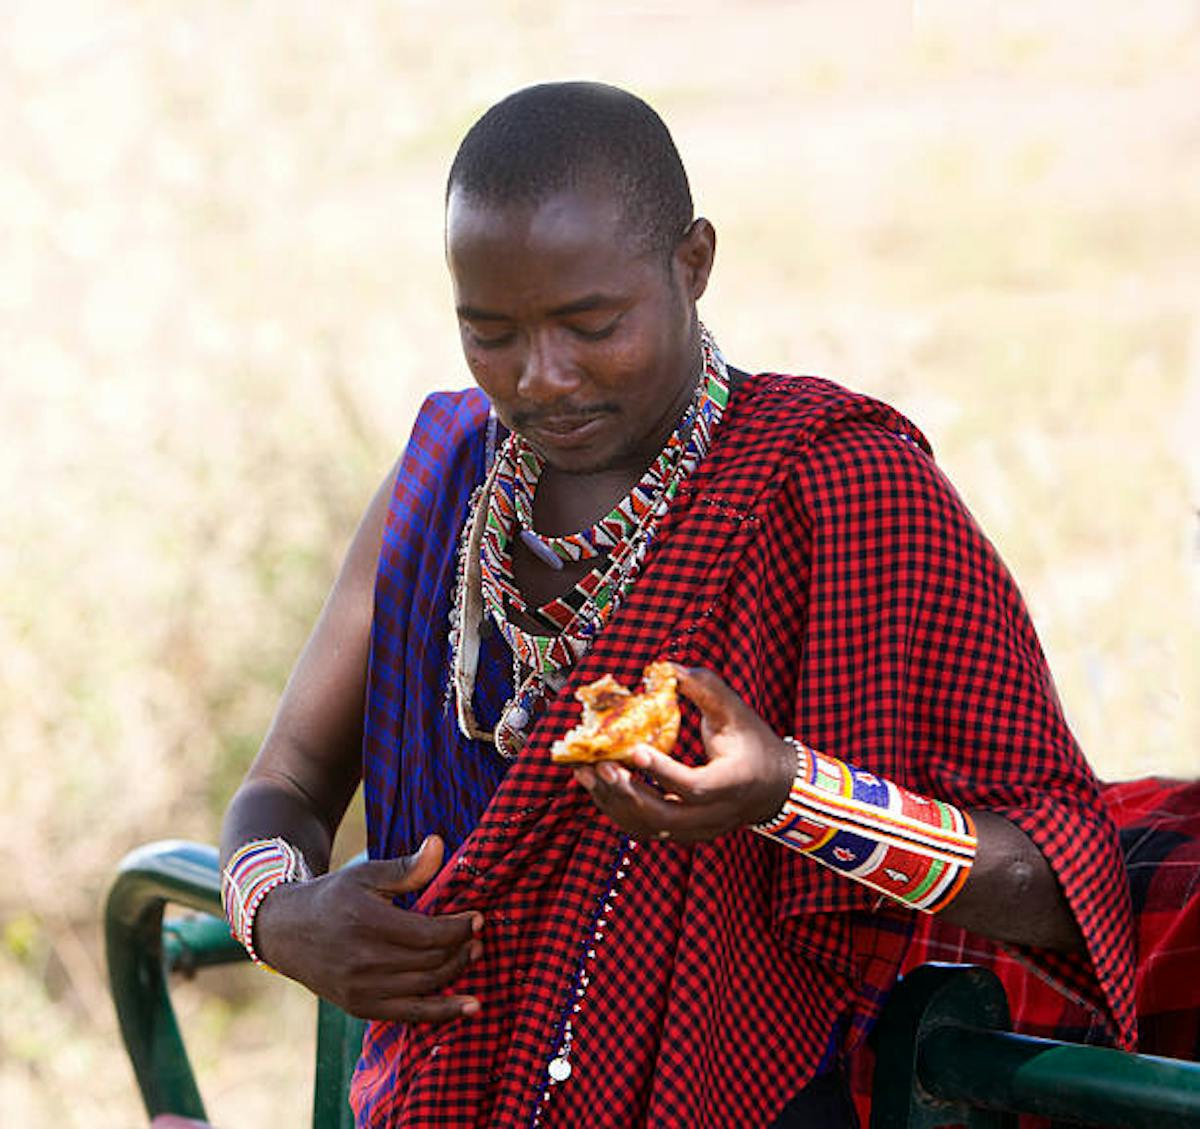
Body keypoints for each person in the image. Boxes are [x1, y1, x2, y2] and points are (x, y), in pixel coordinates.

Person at [219, 82, 1136, 1128]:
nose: (542, 378)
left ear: (693, 263)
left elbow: (1063, 881)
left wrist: (790, 791)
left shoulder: (839, 487)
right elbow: (283, 783)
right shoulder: (441, 483)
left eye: (591, 324)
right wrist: (277, 913)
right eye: (490, 335)